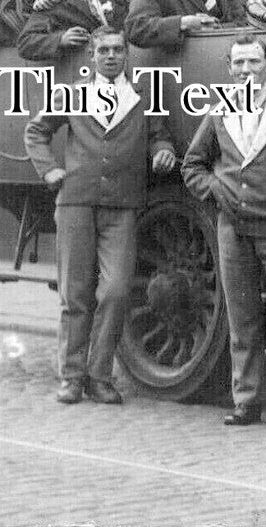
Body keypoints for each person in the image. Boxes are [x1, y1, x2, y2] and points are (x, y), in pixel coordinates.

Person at [23, 25, 177, 405]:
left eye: (117, 50)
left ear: (127, 54)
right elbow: (36, 132)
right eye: (103, 50)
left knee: (116, 291)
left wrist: (163, 151)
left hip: (122, 206)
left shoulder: (142, 97)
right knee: (75, 293)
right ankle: (72, 377)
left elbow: (159, 135)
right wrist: (49, 170)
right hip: (76, 203)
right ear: (91, 56)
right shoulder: (73, 94)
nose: (110, 56)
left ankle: (99, 375)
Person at [182, 34, 266, 434]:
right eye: (239, 63)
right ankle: (247, 400)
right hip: (234, 230)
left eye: (254, 62)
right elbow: (192, 165)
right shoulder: (219, 111)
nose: (246, 70)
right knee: (242, 317)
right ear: (229, 68)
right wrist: (215, 189)